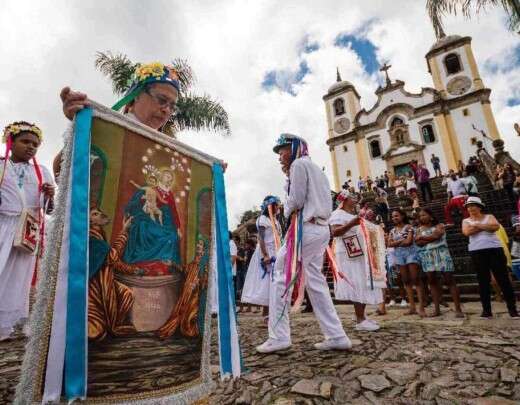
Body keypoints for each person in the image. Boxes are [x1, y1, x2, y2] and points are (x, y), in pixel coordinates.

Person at [257, 133, 351, 353]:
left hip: (306, 229)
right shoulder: (315, 168)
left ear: (294, 147)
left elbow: (296, 201)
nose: (279, 156)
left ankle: (278, 336)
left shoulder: (299, 165)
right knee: (316, 283)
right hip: (320, 230)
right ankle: (336, 335)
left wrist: (287, 208)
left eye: (282, 150)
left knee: (280, 274)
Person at [55, 62, 181, 176]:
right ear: (137, 95)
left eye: (172, 107)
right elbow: (59, 171)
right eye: (162, 100)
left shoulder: (169, 154)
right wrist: (80, 128)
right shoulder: (104, 127)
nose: (166, 110)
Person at [0, 122, 55, 340]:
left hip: (27, 230)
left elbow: (50, 209)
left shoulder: (42, 172)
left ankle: (5, 324)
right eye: (25, 142)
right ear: (11, 142)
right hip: (4, 225)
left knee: (17, 277)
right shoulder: (1, 166)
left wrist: (50, 195)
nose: (31, 147)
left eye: (35, 144)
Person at [330, 191, 383, 331]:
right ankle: (360, 319)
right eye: (352, 197)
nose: (355, 199)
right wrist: (352, 223)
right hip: (347, 252)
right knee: (357, 281)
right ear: (345, 200)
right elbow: (335, 232)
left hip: (358, 251)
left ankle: (362, 316)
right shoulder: (337, 214)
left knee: (361, 282)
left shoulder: (352, 215)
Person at [462, 197, 519, 319]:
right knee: (483, 281)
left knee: (503, 279)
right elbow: (467, 232)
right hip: (476, 251)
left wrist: (477, 225)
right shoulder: (466, 220)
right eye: (468, 206)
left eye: (473, 205)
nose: (471, 208)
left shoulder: (490, 216)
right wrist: (484, 226)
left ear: (479, 206)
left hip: (494, 249)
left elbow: (495, 227)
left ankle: (512, 309)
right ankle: (487, 310)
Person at [415, 208, 464, 318]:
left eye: (424, 215)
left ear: (431, 216)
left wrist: (423, 237)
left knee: (449, 280)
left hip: (442, 254)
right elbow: (418, 243)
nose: (422, 217)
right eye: (420, 216)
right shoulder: (418, 229)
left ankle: (458, 308)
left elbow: (437, 236)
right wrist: (430, 238)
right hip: (428, 256)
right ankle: (437, 309)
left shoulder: (439, 225)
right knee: (432, 282)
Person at [241, 196, 282, 320]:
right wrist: (265, 255)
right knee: (266, 283)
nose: (278, 207)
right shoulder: (262, 219)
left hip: (275, 251)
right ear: (269, 206)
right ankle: (266, 314)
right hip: (266, 252)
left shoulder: (276, 220)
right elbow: (261, 238)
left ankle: (272, 312)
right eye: (276, 205)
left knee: (274, 282)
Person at [387, 208, 426, 317]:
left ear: (402, 216)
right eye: (393, 216)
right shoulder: (392, 231)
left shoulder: (409, 227)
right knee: (406, 280)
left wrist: (396, 242)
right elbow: (389, 244)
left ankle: (421, 307)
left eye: (397, 216)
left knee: (415, 279)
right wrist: (400, 241)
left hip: (411, 254)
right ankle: (412, 307)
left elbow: (409, 242)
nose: (394, 218)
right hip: (399, 256)